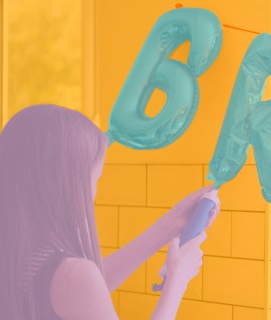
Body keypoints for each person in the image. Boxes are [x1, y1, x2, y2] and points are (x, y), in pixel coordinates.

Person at [0, 105, 219, 319]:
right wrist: (176, 281)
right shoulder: (72, 277)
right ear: (70, 187)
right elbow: (81, 284)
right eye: (96, 179)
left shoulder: (22, 257)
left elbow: (83, 291)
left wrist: (171, 226)